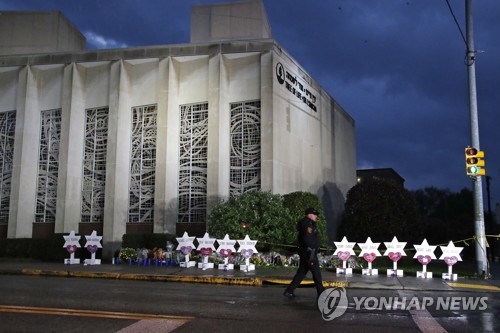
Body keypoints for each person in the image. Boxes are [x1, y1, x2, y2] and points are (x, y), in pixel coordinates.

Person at [283, 207, 325, 299]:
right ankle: (321, 294)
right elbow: (307, 239)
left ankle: (289, 291)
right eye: (315, 215)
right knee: (316, 273)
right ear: (310, 214)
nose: (316, 216)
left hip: (306, 252)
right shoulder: (308, 224)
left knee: (301, 272)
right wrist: (313, 247)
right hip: (309, 252)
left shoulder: (308, 223)